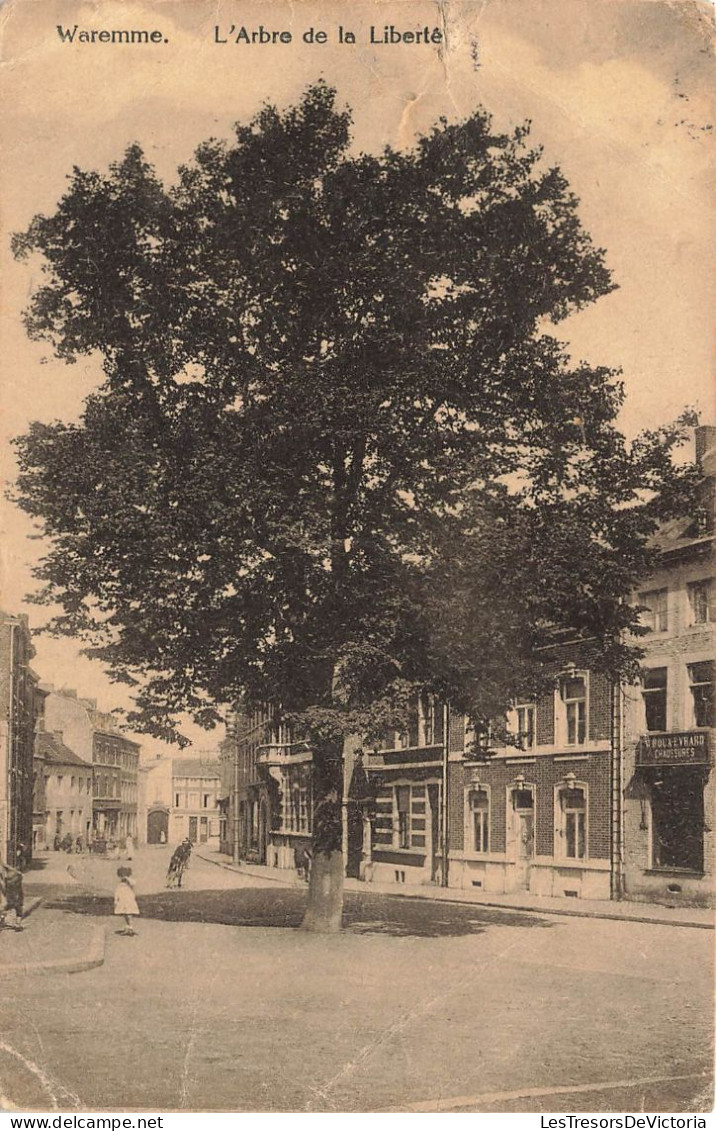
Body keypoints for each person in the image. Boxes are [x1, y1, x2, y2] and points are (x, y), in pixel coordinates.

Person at [114, 866, 139, 936]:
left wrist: (127, 879)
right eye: (121, 876)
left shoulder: (130, 882)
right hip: (122, 900)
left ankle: (131, 927)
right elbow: (117, 891)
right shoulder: (120, 884)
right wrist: (116, 899)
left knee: (129, 914)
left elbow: (133, 883)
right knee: (125, 914)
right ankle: (127, 926)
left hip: (128, 900)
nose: (122, 877)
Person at [0, 860, 25, 930]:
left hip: (11, 891)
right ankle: (17, 924)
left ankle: (2, 919)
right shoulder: (18, 875)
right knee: (18, 907)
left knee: (8, 906)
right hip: (15, 892)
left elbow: (6, 866)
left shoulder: (8, 872)